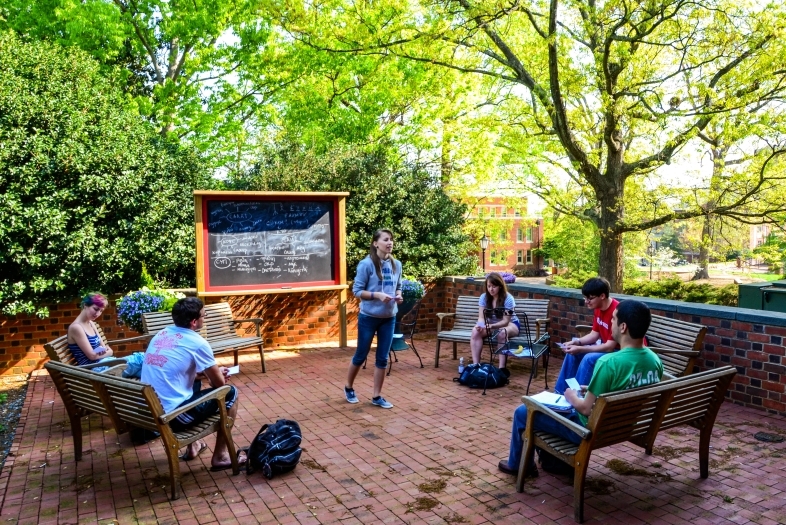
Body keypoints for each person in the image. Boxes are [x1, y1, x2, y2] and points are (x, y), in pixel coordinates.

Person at [498, 299, 663, 476]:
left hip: (588, 430)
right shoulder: (655, 360)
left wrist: (571, 396)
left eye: (613, 319)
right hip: (624, 426)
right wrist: (590, 389)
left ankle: (517, 465)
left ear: (623, 327)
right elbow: (624, 387)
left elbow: (584, 409)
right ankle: (554, 461)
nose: (610, 323)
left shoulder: (609, 363)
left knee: (523, 412)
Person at [141, 297, 242, 470]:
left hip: (147, 412)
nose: (206, 317)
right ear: (194, 321)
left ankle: (193, 447)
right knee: (230, 392)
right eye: (204, 315)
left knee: (194, 384)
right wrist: (217, 375)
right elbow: (219, 385)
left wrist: (207, 373)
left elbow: (176, 372)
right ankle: (220, 456)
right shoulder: (197, 342)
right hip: (171, 418)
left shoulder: (162, 334)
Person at [344, 229, 403, 409]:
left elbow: (398, 286)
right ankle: (348, 387)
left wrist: (399, 296)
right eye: (386, 240)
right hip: (368, 317)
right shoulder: (366, 264)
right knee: (361, 354)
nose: (390, 243)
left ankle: (377, 396)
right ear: (376, 243)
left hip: (389, 317)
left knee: (382, 358)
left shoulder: (396, 264)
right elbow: (356, 291)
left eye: (391, 239)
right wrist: (377, 295)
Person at [554, 277, 619, 394]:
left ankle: (577, 397)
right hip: (608, 348)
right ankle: (560, 393)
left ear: (602, 296)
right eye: (585, 297)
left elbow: (610, 346)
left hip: (618, 352)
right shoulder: (598, 308)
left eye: (590, 298)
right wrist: (576, 342)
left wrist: (581, 349)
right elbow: (594, 334)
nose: (586, 301)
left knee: (588, 358)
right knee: (571, 354)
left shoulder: (616, 312)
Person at [67, 292, 144, 378]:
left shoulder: (91, 323)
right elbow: (92, 356)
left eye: (101, 311)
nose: (98, 313)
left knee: (146, 370)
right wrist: (107, 352)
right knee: (142, 358)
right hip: (96, 371)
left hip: (106, 363)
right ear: (85, 305)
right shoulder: (76, 328)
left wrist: (105, 352)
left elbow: (105, 348)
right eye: (95, 309)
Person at [469, 272, 520, 372]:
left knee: (501, 333)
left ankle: (501, 369)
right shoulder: (484, 297)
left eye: (494, 286)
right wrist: (480, 325)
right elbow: (481, 317)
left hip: (511, 324)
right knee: (475, 332)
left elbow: (506, 321)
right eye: (489, 286)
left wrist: (491, 326)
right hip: (491, 325)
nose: (491, 289)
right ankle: (476, 365)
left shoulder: (508, 298)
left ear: (500, 286)